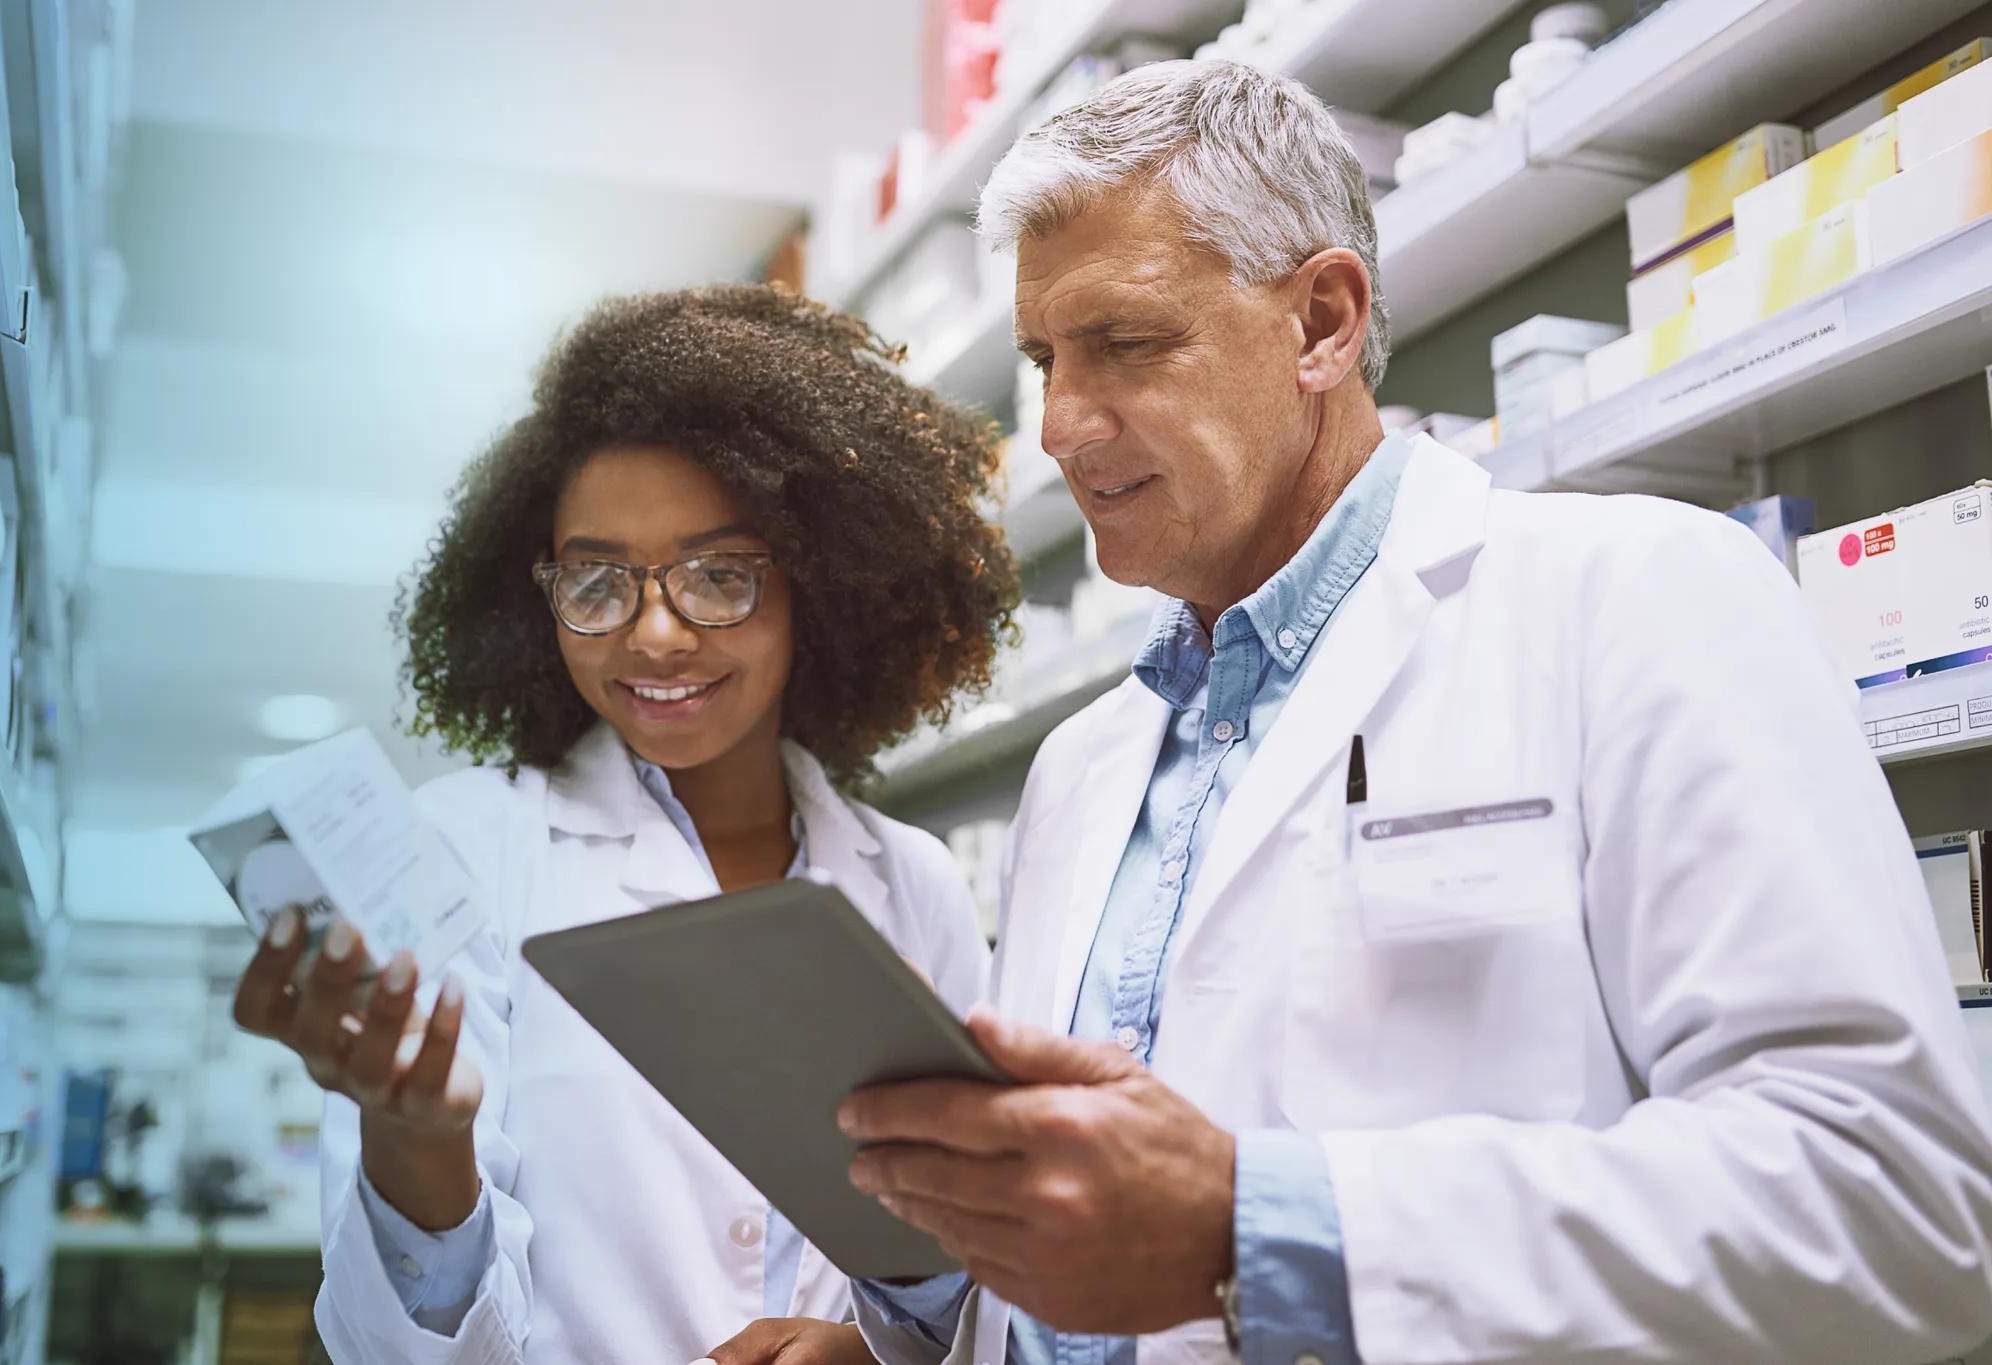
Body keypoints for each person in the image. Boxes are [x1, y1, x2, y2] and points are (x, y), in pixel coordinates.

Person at [835, 61, 1992, 1365]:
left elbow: (1900, 1198)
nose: (1058, 424)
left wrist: (1253, 1230)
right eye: (1046, 358)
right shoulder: (1081, 770)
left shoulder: (1638, 600)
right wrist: (925, 1299)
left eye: (1128, 344)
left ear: (1323, 323)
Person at [229, 285, 1019, 1364]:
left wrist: (879, 1350)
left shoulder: (913, 883)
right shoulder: (466, 847)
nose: (653, 635)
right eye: (596, 582)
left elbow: (988, 1276)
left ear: (819, 586)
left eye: (717, 577)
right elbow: (398, 1345)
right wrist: (419, 1138)